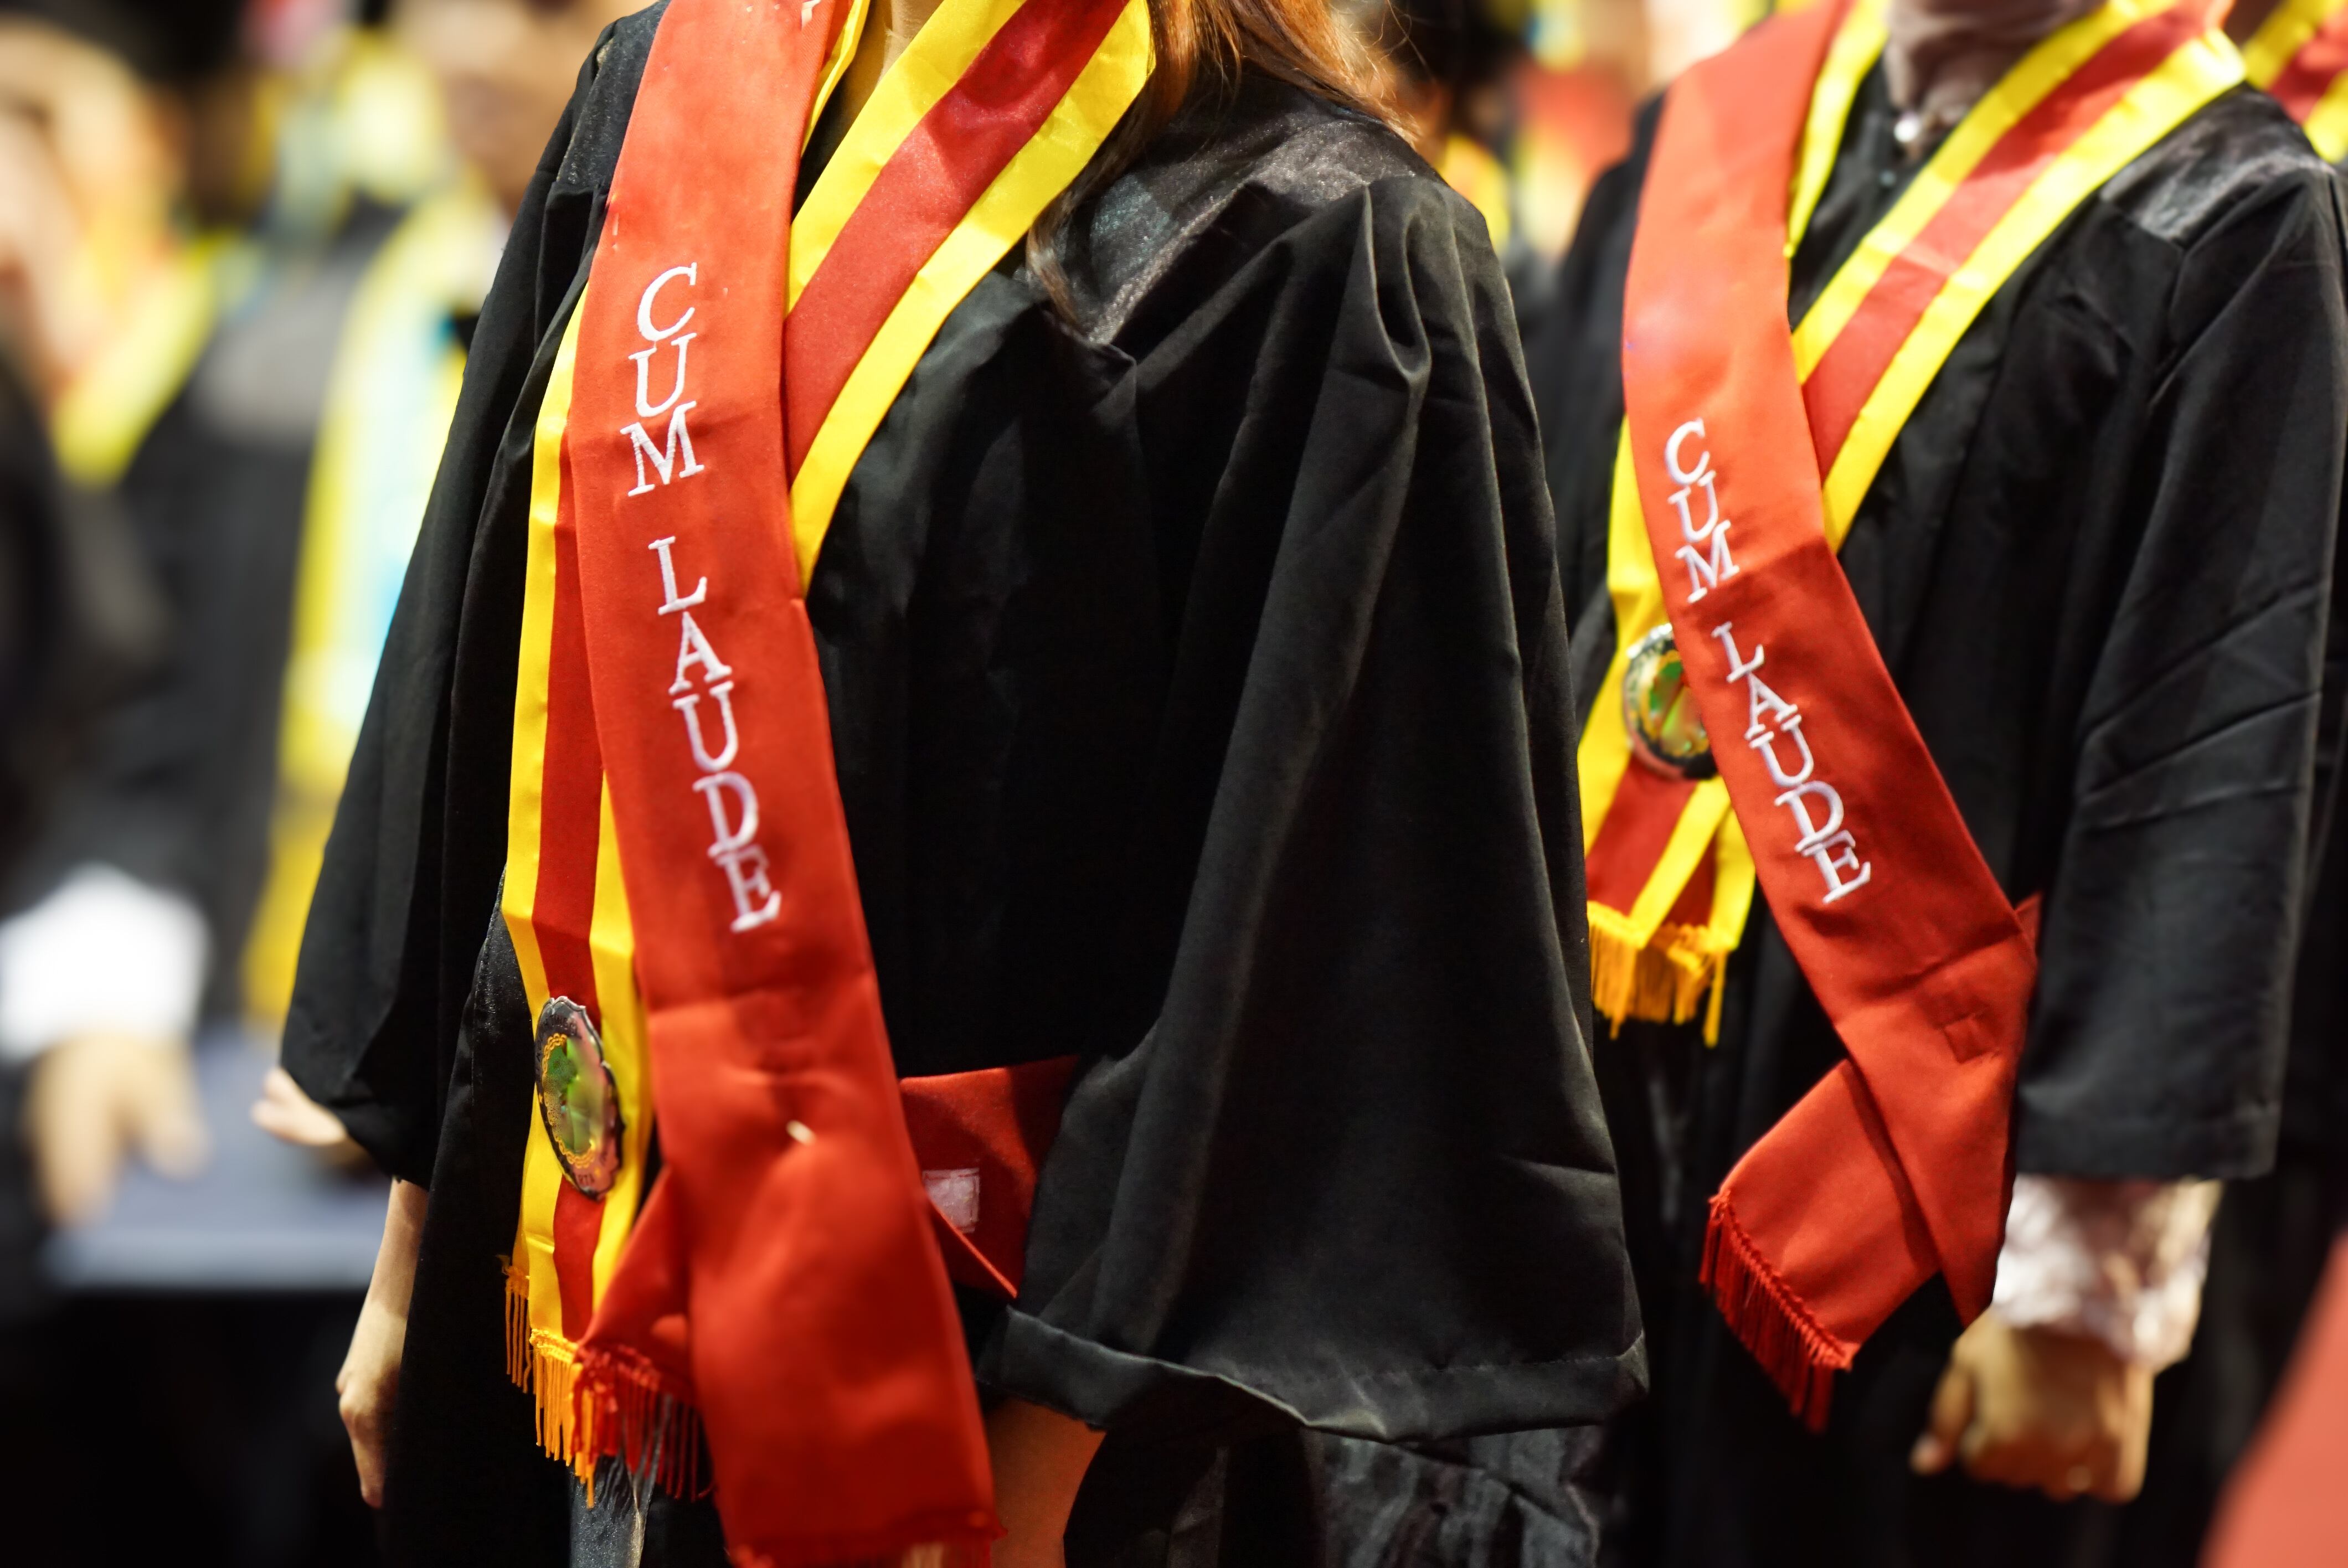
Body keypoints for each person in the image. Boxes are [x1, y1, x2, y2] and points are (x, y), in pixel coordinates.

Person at [284, 1, 1644, 1567]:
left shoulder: (1307, 233)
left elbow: (1285, 938)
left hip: (991, 1384)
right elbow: (499, 649)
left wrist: (1033, 1477)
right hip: (574, 1320)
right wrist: (416, 1260)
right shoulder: (662, 97)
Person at [1521, 0, 2348, 1564]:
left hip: (1882, 1174)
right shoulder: (1719, 134)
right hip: (1577, 1076)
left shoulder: (2234, 218)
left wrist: (2090, 1285)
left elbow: (2205, 749)